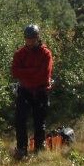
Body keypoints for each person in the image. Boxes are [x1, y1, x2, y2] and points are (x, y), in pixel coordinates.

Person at [11, 24, 53, 159]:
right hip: (25, 91)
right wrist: (33, 71)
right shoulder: (20, 54)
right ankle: (22, 148)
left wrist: (25, 74)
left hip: (41, 91)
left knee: (39, 121)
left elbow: (44, 75)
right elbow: (14, 71)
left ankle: (39, 148)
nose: (30, 42)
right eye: (27, 40)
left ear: (38, 38)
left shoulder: (46, 54)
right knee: (20, 119)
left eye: (32, 39)